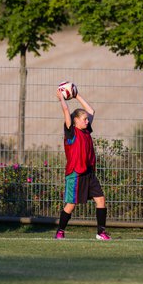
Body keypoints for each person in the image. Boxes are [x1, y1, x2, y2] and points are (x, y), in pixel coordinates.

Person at [55, 86, 111, 240]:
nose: (87, 120)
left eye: (87, 119)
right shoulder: (71, 131)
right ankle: (60, 231)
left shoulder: (86, 130)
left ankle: (101, 232)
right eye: (84, 119)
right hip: (76, 173)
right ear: (76, 120)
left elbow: (91, 111)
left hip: (88, 172)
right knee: (71, 205)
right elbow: (66, 111)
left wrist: (76, 95)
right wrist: (62, 97)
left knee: (100, 199)